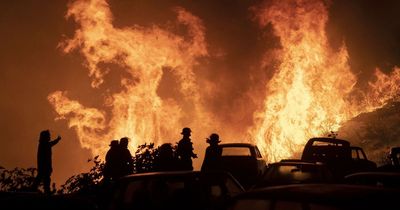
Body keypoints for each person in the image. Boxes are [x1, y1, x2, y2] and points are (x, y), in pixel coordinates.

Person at [32, 130, 61, 194]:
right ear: (45, 137)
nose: (49, 137)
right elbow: (52, 143)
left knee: (43, 178)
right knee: (44, 179)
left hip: (44, 166)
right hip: (44, 166)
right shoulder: (44, 144)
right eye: (48, 136)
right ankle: (44, 190)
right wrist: (58, 139)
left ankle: (38, 189)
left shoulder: (43, 144)